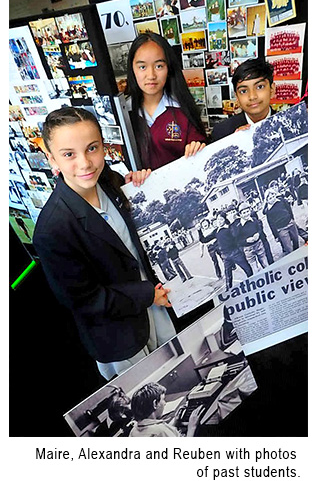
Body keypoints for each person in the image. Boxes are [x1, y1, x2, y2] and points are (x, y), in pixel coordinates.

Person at [33, 107, 176, 381]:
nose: (85, 163)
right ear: (51, 159)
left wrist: (139, 184)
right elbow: (86, 301)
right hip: (119, 333)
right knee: (149, 396)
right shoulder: (52, 229)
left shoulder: (109, 180)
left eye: (92, 148)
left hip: (155, 308)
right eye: (69, 154)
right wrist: (147, 295)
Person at [125, 32, 208, 172]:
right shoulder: (124, 114)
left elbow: (202, 154)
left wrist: (198, 148)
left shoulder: (182, 111)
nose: (151, 76)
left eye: (159, 66)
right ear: (132, 69)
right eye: (142, 67)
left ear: (168, 68)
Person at [211, 58, 276, 142]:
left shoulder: (288, 124)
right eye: (244, 91)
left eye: (260, 87)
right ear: (237, 97)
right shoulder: (222, 132)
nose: (252, 96)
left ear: (272, 89)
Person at [129, 382, 203, 437]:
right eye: (163, 399)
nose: (165, 403)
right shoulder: (160, 431)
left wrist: (175, 421)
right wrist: (192, 427)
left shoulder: (133, 431)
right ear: (155, 404)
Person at [263, 188, 299, 255]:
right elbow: (271, 224)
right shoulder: (268, 210)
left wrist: (292, 219)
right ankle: (292, 256)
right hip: (281, 229)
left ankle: (298, 253)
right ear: (267, 200)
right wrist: (275, 236)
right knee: (288, 247)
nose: (273, 199)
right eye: (270, 198)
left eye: (273, 196)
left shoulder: (281, 201)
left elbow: (289, 209)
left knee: (296, 240)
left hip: (290, 223)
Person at [236, 201, 268, 273]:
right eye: (244, 213)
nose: (246, 214)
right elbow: (238, 241)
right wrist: (246, 240)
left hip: (258, 244)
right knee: (255, 269)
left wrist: (258, 234)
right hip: (248, 249)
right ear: (240, 214)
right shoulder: (239, 227)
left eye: (247, 211)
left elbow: (260, 228)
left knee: (265, 263)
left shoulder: (254, 220)